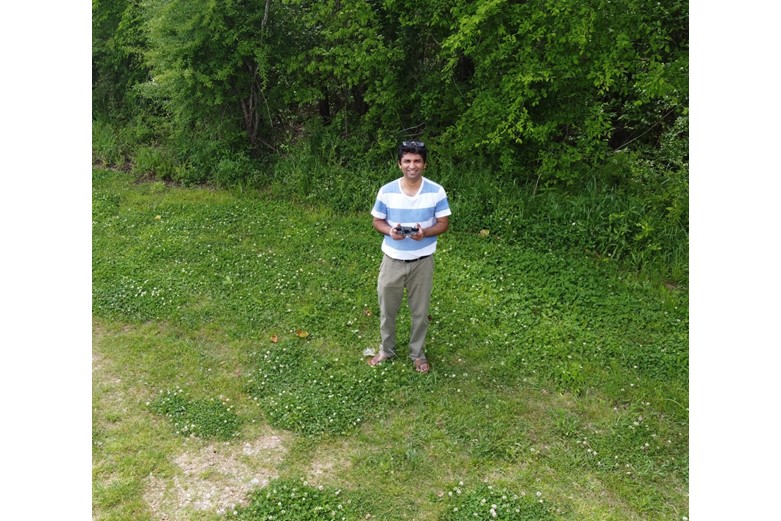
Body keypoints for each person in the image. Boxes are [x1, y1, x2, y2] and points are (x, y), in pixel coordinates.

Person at [368, 141, 451, 373]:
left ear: (424, 164)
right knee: (387, 310)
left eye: (417, 161)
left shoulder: (436, 191)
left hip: (422, 261)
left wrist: (425, 232)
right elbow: (377, 221)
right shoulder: (386, 191)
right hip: (392, 260)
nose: (412, 166)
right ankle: (387, 350)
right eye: (407, 161)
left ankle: (417, 353)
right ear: (399, 164)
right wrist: (390, 231)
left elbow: (443, 224)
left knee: (420, 312)